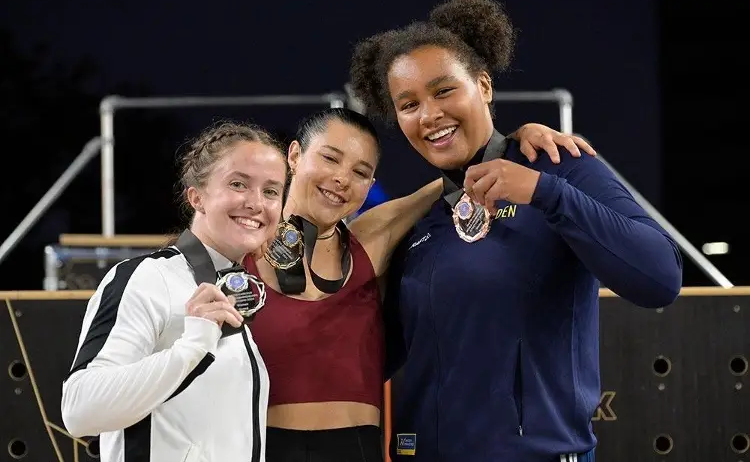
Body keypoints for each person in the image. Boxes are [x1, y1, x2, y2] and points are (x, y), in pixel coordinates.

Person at [348, 0, 684, 462]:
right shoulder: (423, 219)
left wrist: (546, 192)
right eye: (408, 104)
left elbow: (660, 278)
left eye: (444, 90)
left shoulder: (560, 169)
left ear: (483, 85)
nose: (429, 115)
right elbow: (373, 358)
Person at [243, 108, 598, 462]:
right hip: (261, 446)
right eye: (330, 159)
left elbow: (456, 182)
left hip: (358, 449)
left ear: (370, 185)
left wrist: (512, 142)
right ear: (294, 155)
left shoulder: (369, 241)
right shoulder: (236, 246)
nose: (341, 179)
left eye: (360, 172)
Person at [61, 121, 289, 462]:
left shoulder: (234, 288)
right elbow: (79, 410)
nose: (256, 203)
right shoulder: (146, 277)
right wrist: (191, 348)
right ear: (197, 198)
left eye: (271, 191)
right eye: (238, 184)